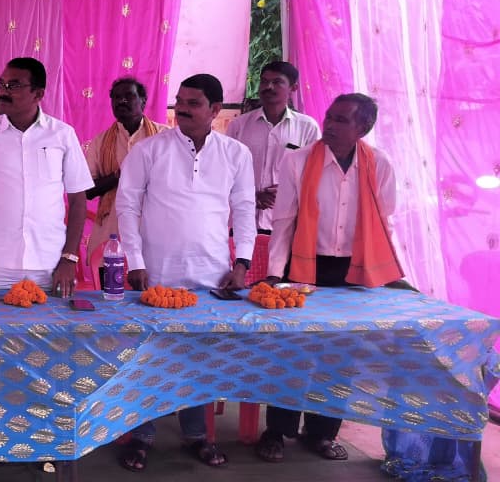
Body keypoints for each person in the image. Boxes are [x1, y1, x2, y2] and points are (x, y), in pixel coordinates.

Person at [115, 74, 256, 471]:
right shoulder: (148, 150)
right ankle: (141, 437)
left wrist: (242, 263)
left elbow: (244, 209)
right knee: (148, 359)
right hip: (157, 274)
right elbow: (127, 207)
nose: (183, 110)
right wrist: (136, 262)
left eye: (194, 103)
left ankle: (198, 436)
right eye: (179, 102)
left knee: (200, 360)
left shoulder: (236, 154)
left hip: (212, 276)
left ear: (216, 109)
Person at [256, 93, 402, 463]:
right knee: (292, 351)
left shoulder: (380, 164)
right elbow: (284, 221)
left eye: (341, 120)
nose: (330, 126)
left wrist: (385, 272)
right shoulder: (298, 160)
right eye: (329, 117)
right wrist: (274, 273)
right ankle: (277, 431)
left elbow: (384, 220)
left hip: (354, 271)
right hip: (304, 267)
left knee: (340, 354)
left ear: (363, 128)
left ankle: (321, 433)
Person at [0, 57, 92, 295]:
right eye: (1, 84)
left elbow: (78, 200)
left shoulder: (62, 135)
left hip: (51, 265)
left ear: (38, 94)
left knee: (52, 321)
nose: (3, 91)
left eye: (14, 85)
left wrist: (69, 259)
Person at [225, 61, 320, 234]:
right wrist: (251, 195)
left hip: (286, 223)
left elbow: (316, 174)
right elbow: (225, 172)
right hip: (241, 221)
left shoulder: (307, 127)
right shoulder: (239, 125)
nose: (268, 87)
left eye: (277, 82)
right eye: (264, 81)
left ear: (293, 87)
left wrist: (289, 190)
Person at [83, 77, 168, 268]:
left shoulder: (164, 137)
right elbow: (87, 190)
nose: (122, 101)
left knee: (153, 283)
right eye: (116, 97)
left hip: (155, 228)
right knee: (109, 281)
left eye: (129, 96)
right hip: (112, 230)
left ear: (143, 101)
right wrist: (119, 175)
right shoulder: (100, 142)